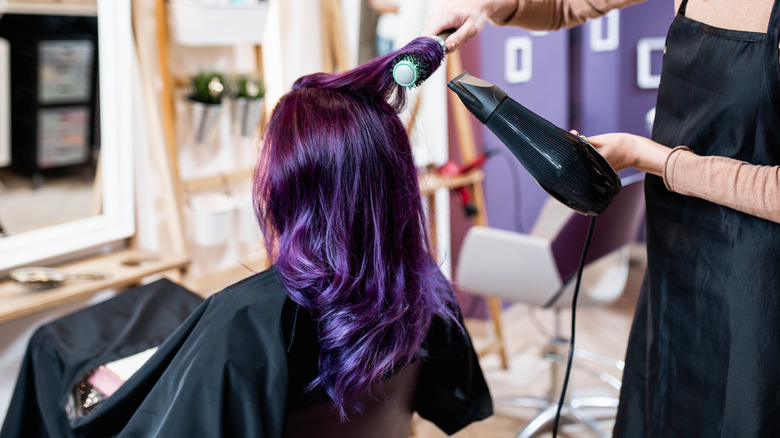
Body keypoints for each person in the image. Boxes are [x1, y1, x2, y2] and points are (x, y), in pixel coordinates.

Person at [0, 38, 492, 437]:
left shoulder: (242, 323)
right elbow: (449, 398)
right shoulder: (422, 289)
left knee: (55, 354)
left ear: (286, 184)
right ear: (394, 182)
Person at [423, 0, 780, 436]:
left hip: (760, 272)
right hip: (677, 249)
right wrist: (490, 6)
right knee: (666, 401)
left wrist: (651, 158)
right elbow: (568, 5)